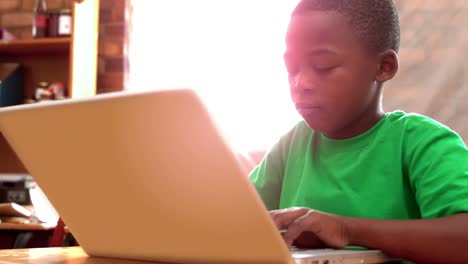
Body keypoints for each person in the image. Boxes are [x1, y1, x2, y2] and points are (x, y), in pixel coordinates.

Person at [249, 0, 468, 263]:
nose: (301, 83)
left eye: (323, 67)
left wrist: (346, 230)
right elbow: (231, 217)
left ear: (383, 67)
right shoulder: (292, 146)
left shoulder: (421, 143)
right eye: (291, 69)